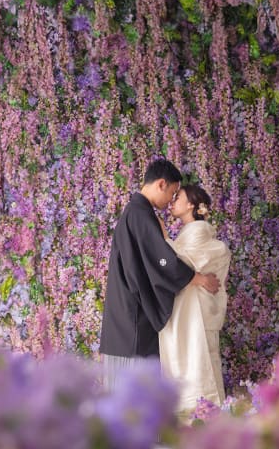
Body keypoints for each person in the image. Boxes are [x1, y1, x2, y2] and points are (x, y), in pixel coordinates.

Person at [99, 160, 220, 390]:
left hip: (124, 314)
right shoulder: (140, 213)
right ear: (161, 184)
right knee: (133, 393)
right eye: (173, 193)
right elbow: (161, 259)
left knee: (124, 393)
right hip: (131, 316)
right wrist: (199, 279)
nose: (170, 201)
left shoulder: (135, 211)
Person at [158, 184, 231, 412]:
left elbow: (183, 263)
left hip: (195, 315)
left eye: (178, 197)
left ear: (191, 204)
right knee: (193, 365)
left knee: (198, 365)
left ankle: (200, 420)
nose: (172, 200)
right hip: (187, 312)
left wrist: (162, 239)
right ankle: (199, 420)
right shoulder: (186, 234)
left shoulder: (198, 232)